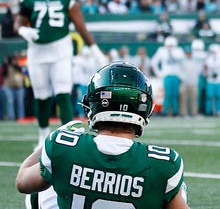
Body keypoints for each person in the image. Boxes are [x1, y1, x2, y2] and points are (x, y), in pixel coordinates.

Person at [15, 61, 189, 208]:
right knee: (175, 189)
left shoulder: (62, 145)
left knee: (41, 187)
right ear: (145, 109)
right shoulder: (165, 162)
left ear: (93, 104)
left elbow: (22, 182)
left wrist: (49, 141)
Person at [14, 0, 107, 145]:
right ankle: (42, 135)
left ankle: (68, 136)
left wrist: (94, 48)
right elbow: (19, 22)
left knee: (63, 91)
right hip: (37, 50)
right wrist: (22, 30)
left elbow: (80, 26)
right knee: (41, 94)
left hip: (60, 48)